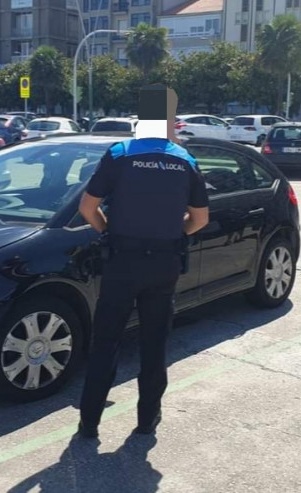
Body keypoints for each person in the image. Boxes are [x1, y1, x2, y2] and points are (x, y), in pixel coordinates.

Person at [77, 84, 210, 438]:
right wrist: (176, 232)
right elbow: (200, 219)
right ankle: (146, 421)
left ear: (140, 119)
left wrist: (108, 230)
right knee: (154, 344)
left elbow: (87, 208)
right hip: (163, 264)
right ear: (170, 121)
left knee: (106, 342)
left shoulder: (119, 154)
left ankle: (89, 423)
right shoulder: (185, 160)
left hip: (121, 260)